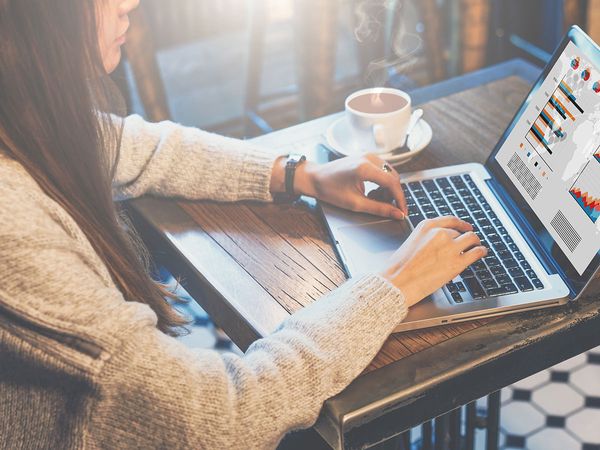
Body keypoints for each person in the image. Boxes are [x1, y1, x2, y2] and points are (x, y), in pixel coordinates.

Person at [0, 0, 487, 448]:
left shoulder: (26, 120)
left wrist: (298, 174)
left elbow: (139, 147)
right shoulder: (14, 230)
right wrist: (392, 283)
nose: (131, 3)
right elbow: (225, 417)